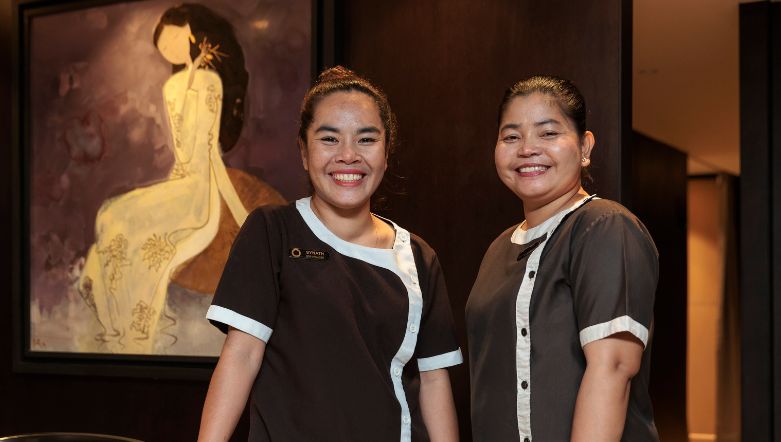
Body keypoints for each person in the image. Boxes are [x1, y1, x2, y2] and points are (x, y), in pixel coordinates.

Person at [199, 66, 463, 441]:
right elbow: (241, 357)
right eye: (329, 139)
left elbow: (434, 380)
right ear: (304, 152)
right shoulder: (272, 232)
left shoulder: (419, 257)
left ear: (387, 153)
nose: (348, 155)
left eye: (366, 140)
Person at [465, 75, 659, 441]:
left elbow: (614, 368)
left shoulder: (603, 227)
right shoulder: (498, 249)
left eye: (548, 133)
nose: (527, 148)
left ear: (585, 147)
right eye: (511, 136)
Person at [76, 3, 249, 353]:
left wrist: (239, 211)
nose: (169, 49)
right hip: (178, 182)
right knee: (110, 212)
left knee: (125, 219)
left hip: (198, 194)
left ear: (191, 33)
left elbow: (207, 152)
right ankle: (117, 327)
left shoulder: (210, 82)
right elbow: (181, 151)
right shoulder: (172, 87)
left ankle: (133, 332)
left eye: (174, 39)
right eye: (163, 46)